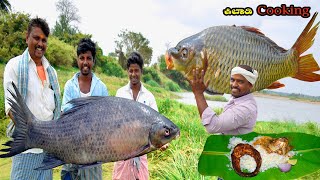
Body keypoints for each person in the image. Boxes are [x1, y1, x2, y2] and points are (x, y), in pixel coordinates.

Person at [3, 17, 61, 180]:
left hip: (48, 152)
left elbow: (54, 110)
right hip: (26, 150)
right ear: (26, 37)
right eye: (36, 38)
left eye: (44, 40)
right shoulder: (14, 66)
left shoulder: (52, 72)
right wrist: (37, 136)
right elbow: (11, 109)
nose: (40, 44)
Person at [60, 38, 108, 180]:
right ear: (77, 60)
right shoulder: (70, 85)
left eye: (88, 58)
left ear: (93, 61)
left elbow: (105, 121)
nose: (85, 62)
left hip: (94, 154)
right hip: (70, 150)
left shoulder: (101, 87)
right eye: (82, 58)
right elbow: (65, 115)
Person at [112, 52, 160, 180]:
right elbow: (115, 122)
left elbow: (157, 124)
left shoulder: (149, 96)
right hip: (122, 152)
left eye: (136, 71)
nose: (133, 74)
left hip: (142, 151)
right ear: (127, 71)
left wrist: (161, 142)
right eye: (131, 71)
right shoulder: (120, 93)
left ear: (141, 71)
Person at [189, 65, 258, 135]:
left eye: (240, 82)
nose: (234, 84)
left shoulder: (245, 108)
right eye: (232, 80)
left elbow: (212, 126)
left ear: (250, 85)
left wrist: (198, 93)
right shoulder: (238, 98)